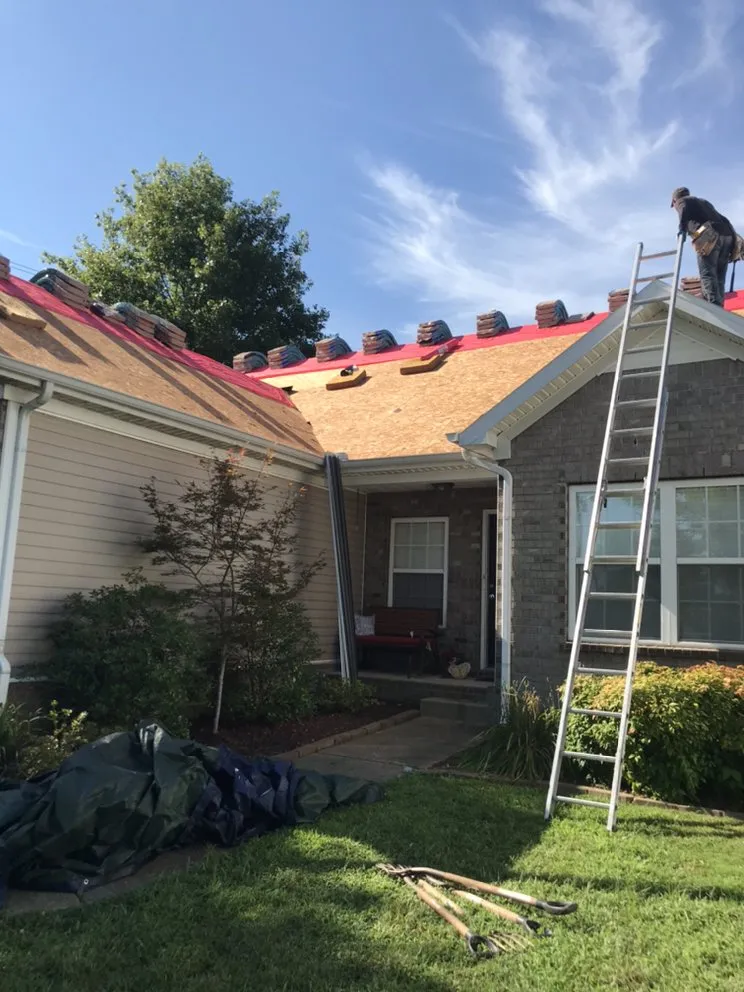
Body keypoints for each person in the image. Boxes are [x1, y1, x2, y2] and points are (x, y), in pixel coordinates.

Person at [671, 187, 735, 306]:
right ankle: (719, 305)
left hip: (708, 235)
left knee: (708, 273)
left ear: (674, 200)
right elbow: (725, 219)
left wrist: (682, 229)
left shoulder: (682, 201)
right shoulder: (704, 202)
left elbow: (683, 207)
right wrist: (735, 242)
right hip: (726, 236)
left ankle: (713, 305)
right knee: (719, 275)